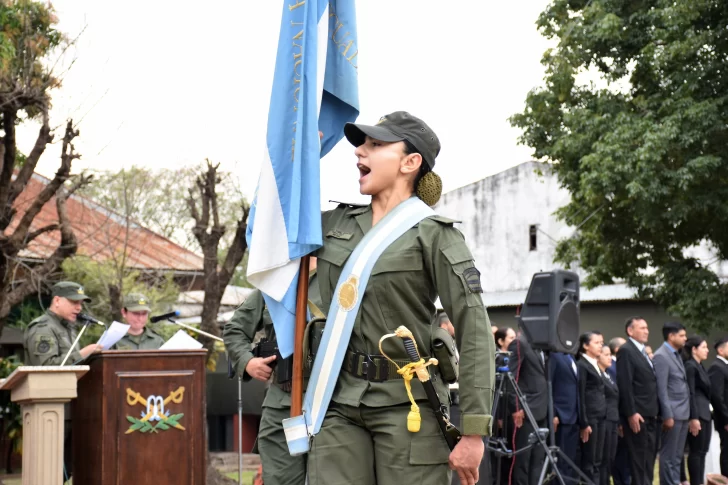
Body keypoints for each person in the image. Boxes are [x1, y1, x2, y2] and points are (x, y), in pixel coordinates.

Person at [304, 112, 495, 485]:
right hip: (338, 401)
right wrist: (297, 152)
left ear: (411, 162)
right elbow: (270, 231)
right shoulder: (335, 224)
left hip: (408, 405)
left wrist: (473, 430)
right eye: (362, 144)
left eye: (375, 145)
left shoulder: (434, 235)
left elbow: (474, 329)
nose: (360, 152)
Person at [223, 258, 321, 485]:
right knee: (280, 479)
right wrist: (247, 361)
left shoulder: (341, 276)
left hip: (332, 402)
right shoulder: (276, 284)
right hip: (282, 402)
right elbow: (235, 329)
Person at [22, 281, 103, 480]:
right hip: (49, 411)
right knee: (49, 472)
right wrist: (84, 353)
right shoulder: (43, 328)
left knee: (65, 471)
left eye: (81, 303)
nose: (79, 308)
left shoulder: (68, 328)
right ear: (57, 301)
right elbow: (47, 367)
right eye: (74, 302)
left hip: (70, 408)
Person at [617, 316, 659, 485]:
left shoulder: (643, 352)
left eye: (647, 327)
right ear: (630, 331)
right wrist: (631, 412)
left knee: (649, 459)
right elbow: (625, 383)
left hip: (651, 413)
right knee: (640, 460)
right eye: (641, 328)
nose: (646, 331)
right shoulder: (626, 350)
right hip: (638, 415)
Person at [507, 327, 548, 485]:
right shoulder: (519, 343)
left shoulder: (541, 345)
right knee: (523, 461)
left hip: (541, 410)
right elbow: (511, 378)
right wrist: (516, 408)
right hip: (525, 410)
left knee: (537, 461)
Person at [654, 322, 690, 485]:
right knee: (669, 456)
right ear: (671, 336)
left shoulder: (676, 354)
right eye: (681, 335)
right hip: (673, 414)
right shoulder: (662, 355)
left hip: (683, 413)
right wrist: (667, 414)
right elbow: (662, 388)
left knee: (677, 456)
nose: (685, 339)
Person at [577, 331, 607, 484]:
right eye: (596, 343)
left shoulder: (595, 363)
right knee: (589, 459)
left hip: (601, 415)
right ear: (585, 345)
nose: (600, 346)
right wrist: (584, 422)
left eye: (601, 343)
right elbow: (580, 394)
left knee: (598, 459)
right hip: (590, 417)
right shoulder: (582, 364)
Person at [682, 336, 712, 485]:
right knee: (696, 451)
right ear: (694, 349)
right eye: (704, 347)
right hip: (697, 413)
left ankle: (699, 481)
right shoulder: (690, 366)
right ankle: (696, 481)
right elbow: (691, 393)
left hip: (705, 412)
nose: (707, 350)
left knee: (703, 451)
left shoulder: (700, 366)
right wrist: (693, 417)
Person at [549, 350, 580, 483]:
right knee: (558, 461)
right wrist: (553, 413)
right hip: (560, 416)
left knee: (570, 458)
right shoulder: (554, 356)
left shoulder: (571, 356)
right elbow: (550, 384)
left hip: (574, 415)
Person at [608, 337, 631, 485]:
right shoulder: (610, 367)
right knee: (619, 458)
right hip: (617, 419)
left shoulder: (620, 365)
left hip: (624, 417)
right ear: (617, 349)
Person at [599, 344, 620, 485]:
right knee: (603, 458)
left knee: (610, 458)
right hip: (604, 420)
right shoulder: (598, 375)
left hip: (613, 420)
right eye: (606, 355)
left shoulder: (608, 374)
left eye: (609, 354)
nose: (610, 358)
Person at [708, 336, 728, 477]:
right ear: (721, 350)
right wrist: (726, 419)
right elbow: (717, 396)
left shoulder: (725, 366)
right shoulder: (717, 367)